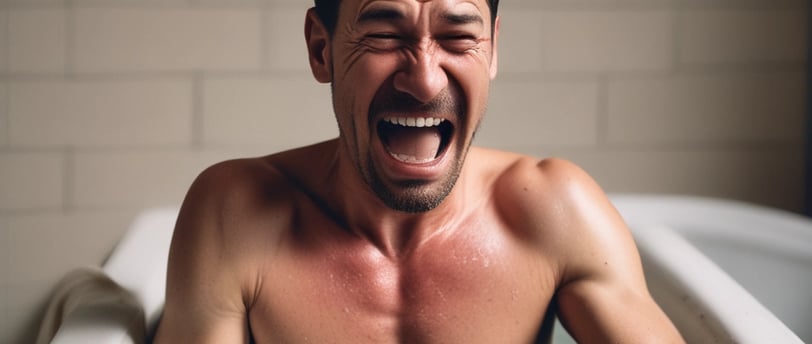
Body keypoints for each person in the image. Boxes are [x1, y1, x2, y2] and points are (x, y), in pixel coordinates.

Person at [154, 0, 685, 342]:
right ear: (321, 49)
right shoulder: (236, 215)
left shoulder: (554, 213)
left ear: (493, 48)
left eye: (457, 37)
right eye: (385, 36)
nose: (426, 80)